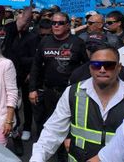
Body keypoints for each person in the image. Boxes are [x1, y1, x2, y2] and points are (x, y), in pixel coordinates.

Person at [30, 45, 124, 162]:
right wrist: (37, 158)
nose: (102, 69)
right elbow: (52, 131)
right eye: (96, 65)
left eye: (109, 65)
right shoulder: (72, 93)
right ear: (90, 67)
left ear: (119, 68)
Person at [29, 12, 88, 160]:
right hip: (49, 92)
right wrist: (32, 89)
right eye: (53, 23)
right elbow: (36, 66)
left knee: (68, 128)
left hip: (70, 93)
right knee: (49, 127)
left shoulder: (77, 43)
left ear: (68, 25)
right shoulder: (45, 42)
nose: (56, 25)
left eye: (60, 23)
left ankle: (64, 157)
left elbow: (87, 67)